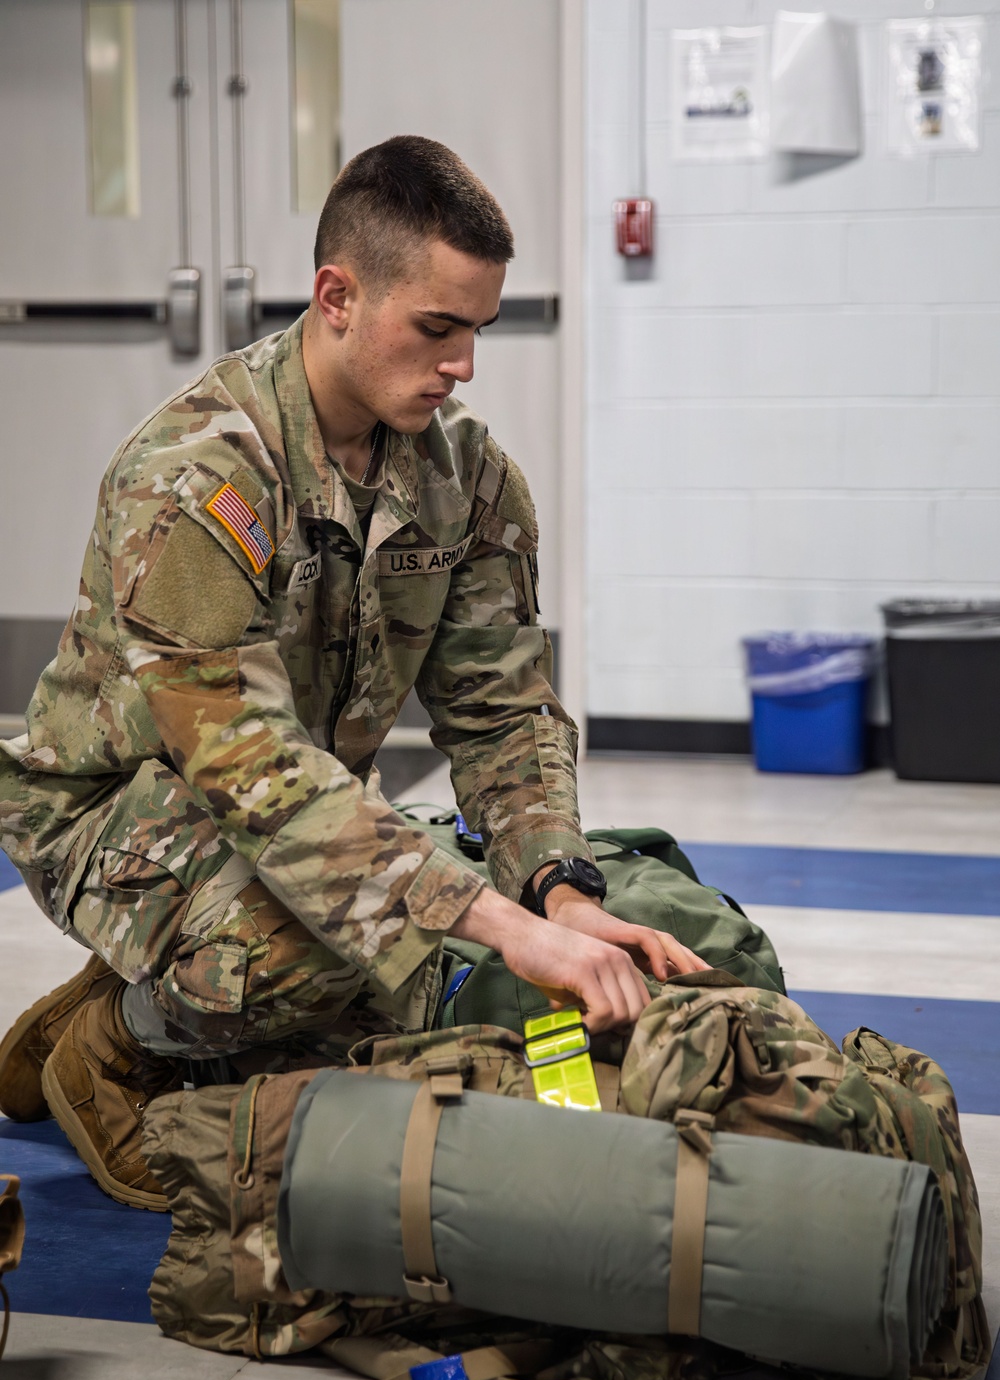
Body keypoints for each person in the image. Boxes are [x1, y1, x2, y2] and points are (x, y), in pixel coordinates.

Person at [0, 136, 707, 1209]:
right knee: (338, 950)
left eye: (477, 328)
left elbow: (504, 712)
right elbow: (251, 771)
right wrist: (498, 923)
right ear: (336, 294)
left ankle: (171, 978)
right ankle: (109, 1044)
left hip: (287, 812)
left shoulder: (466, 480)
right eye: (436, 327)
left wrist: (556, 888)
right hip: (115, 813)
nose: (463, 362)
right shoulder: (198, 476)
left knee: (406, 960)